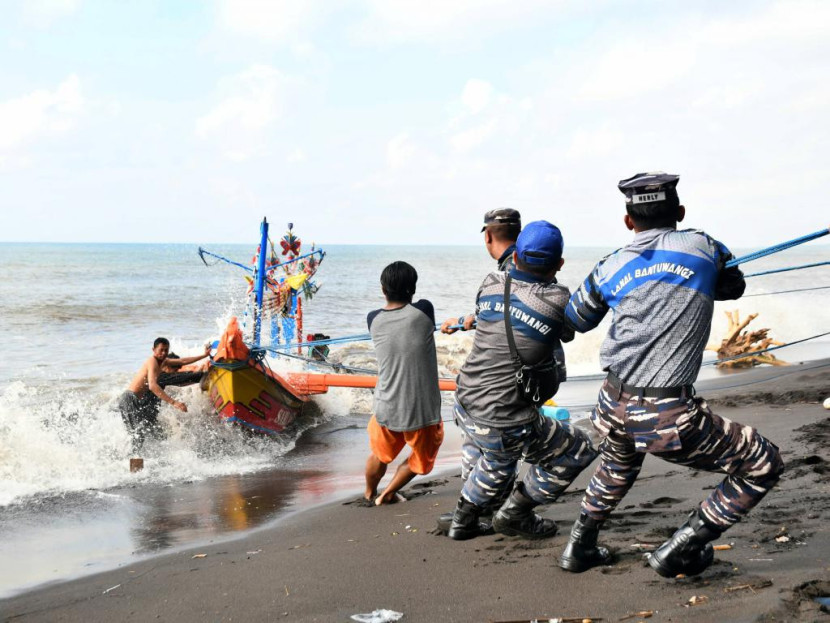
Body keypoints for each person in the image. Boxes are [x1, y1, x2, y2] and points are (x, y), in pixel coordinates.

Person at [558, 172, 784, 577]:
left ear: (628, 221)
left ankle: (579, 546)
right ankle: (681, 547)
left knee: (618, 461)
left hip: (611, 405)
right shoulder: (704, 246)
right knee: (762, 462)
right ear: (679, 212)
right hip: (666, 414)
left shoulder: (608, 267)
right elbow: (733, 287)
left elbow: (575, 320)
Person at [445, 221, 598, 540]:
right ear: (559, 264)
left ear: (514, 258)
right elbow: (568, 332)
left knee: (487, 445)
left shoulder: (490, 282)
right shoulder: (558, 299)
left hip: (464, 401)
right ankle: (500, 513)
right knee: (580, 447)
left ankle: (475, 503)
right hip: (504, 420)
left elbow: (488, 314)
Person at [435, 208, 522, 531]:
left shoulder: (500, 276)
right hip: (501, 379)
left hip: (489, 382)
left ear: (488, 236)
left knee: (491, 446)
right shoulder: (527, 267)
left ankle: (476, 507)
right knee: (487, 443)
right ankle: (476, 506)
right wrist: (467, 321)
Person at [364, 261, 444, 505]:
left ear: (382, 289)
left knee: (380, 455)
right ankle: (387, 494)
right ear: (413, 289)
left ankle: (369, 493)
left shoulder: (373, 319)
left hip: (385, 406)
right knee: (421, 460)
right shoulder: (424, 311)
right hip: (422, 411)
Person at [117, 338, 207, 448]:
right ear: (154, 350)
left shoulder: (164, 361)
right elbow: (152, 385)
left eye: (166, 350)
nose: (164, 353)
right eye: (161, 350)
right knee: (138, 436)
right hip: (129, 399)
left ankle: (138, 462)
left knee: (144, 434)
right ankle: (134, 465)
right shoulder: (152, 362)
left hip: (136, 401)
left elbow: (183, 361)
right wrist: (174, 403)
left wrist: (204, 355)